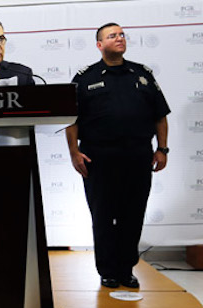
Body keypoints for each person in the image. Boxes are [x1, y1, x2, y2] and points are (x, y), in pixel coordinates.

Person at [65, 23, 170, 289]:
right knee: (102, 214)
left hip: (137, 156)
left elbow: (160, 115)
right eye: (112, 36)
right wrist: (74, 152)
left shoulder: (142, 74)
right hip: (98, 157)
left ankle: (126, 269)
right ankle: (107, 270)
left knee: (133, 214)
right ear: (99, 45)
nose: (119, 38)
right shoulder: (85, 78)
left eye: (121, 34)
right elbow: (71, 120)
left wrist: (162, 148)